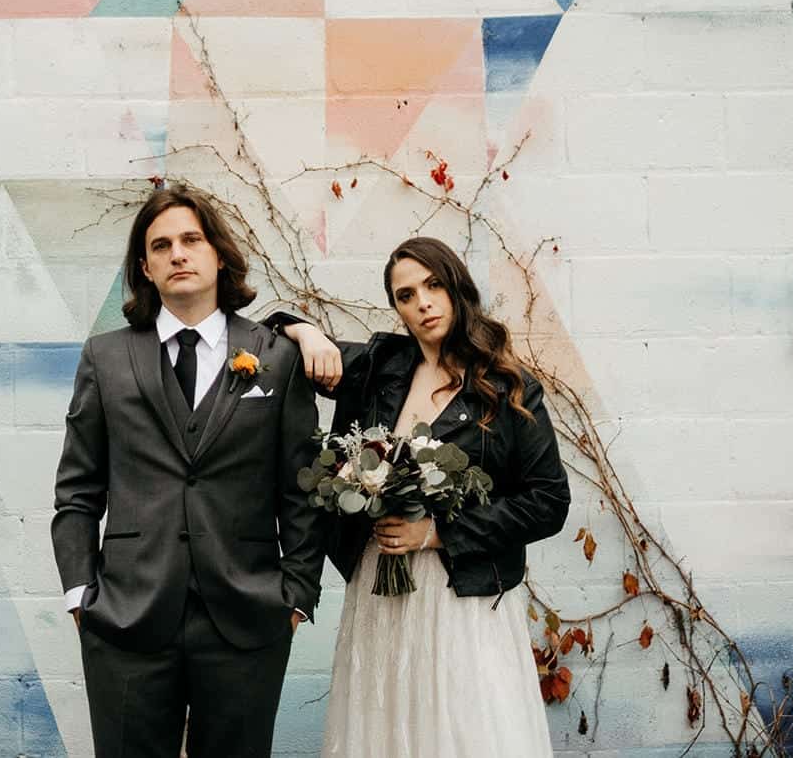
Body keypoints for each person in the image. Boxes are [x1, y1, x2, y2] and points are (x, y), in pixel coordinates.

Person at [51, 183, 326, 758]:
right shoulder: (105, 357)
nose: (177, 253)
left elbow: (302, 487)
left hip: (248, 615)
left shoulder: (275, 354)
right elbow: (78, 490)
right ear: (146, 268)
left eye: (191, 239)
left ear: (217, 254)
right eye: (161, 245)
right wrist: (81, 594)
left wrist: (296, 596)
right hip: (126, 616)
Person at [273, 236, 570, 758]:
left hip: (462, 597)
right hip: (381, 594)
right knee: (384, 726)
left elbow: (549, 501)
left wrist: (438, 533)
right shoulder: (383, 365)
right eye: (405, 295)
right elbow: (271, 331)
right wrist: (302, 330)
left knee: (460, 729)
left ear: (456, 287)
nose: (422, 303)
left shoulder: (507, 386)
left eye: (432, 286)